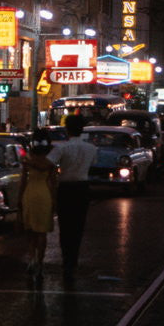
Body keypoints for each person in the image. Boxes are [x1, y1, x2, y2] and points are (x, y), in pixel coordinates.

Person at [45, 114, 98, 282]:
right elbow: (93, 164)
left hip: (66, 189)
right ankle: (73, 260)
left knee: (65, 226)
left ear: (67, 129)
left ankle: (66, 260)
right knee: (78, 227)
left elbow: (48, 164)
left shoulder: (62, 148)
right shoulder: (91, 149)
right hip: (82, 188)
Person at [19, 133, 57, 279]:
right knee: (42, 233)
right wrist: (54, 200)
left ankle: (31, 259)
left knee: (30, 231)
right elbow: (53, 182)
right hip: (44, 194)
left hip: (30, 193)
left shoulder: (27, 159)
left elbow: (23, 181)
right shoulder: (50, 161)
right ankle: (40, 263)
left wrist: (19, 200)